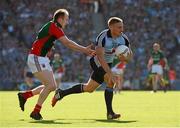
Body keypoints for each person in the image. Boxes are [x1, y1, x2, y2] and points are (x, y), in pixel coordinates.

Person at [17, 9, 95, 120]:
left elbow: (44, 40)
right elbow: (67, 43)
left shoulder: (52, 26)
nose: (67, 22)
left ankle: (25, 96)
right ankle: (35, 111)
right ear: (60, 19)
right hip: (37, 58)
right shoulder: (54, 27)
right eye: (66, 19)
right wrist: (84, 50)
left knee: (49, 86)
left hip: (40, 58)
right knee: (51, 86)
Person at [52, 17, 133, 120]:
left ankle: (61, 93)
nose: (122, 29)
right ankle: (110, 113)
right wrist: (110, 73)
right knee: (111, 80)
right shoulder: (103, 37)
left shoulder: (124, 38)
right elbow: (100, 57)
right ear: (111, 27)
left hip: (108, 63)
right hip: (97, 62)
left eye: (122, 27)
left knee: (89, 88)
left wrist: (125, 58)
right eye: (119, 27)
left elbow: (129, 55)